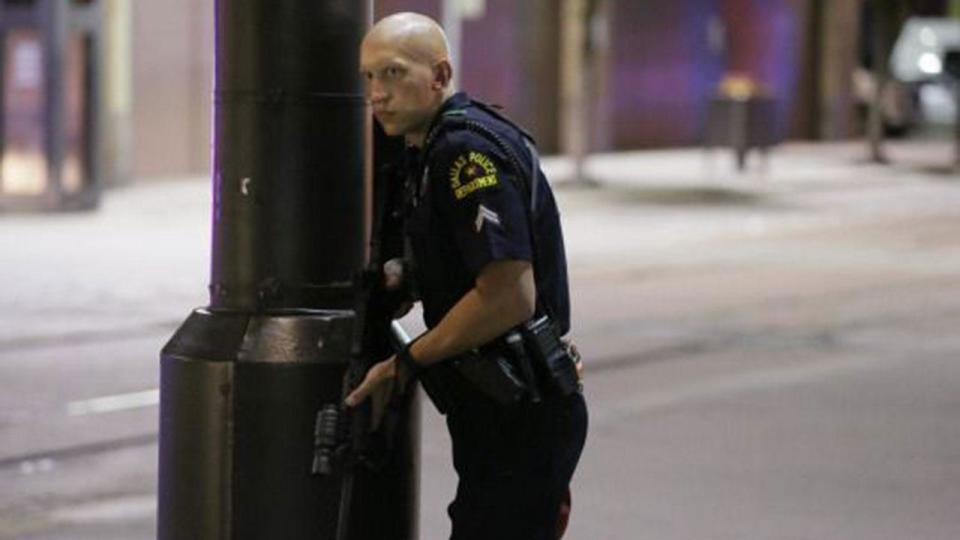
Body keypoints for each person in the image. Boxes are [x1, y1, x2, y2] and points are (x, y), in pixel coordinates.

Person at [345, 12, 588, 540]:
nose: (377, 94)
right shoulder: (433, 148)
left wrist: (406, 361)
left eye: (392, 73)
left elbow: (508, 297)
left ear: (439, 74)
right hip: (504, 410)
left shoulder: (463, 153)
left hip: (519, 414)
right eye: (368, 78)